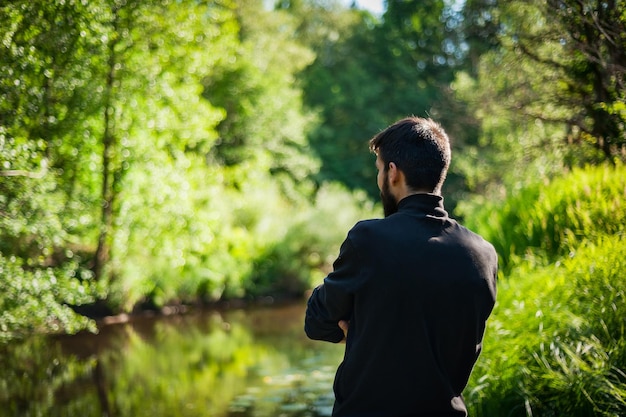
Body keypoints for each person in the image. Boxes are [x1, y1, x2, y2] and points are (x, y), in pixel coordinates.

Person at [304, 116, 498, 417]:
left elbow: (316, 320)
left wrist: (359, 329)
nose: (380, 178)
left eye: (380, 169)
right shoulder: (483, 255)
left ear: (392, 173)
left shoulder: (368, 240)